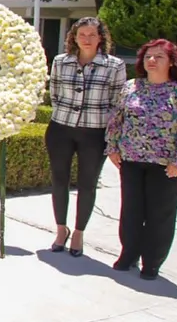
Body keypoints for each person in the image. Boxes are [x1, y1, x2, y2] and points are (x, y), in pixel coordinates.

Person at [106, 39, 177, 280]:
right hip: (131, 160)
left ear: (171, 62)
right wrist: (113, 147)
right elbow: (116, 120)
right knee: (131, 211)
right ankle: (129, 254)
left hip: (165, 165)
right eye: (148, 56)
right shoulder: (131, 87)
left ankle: (152, 262)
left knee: (160, 214)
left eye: (158, 57)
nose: (151, 60)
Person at [45, 16, 127, 257]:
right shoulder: (61, 62)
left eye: (92, 35)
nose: (87, 39)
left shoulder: (114, 65)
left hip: (94, 133)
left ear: (101, 37)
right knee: (59, 181)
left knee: (87, 184)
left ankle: (79, 233)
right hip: (61, 129)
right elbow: (55, 94)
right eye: (82, 35)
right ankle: (61, 229)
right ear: (74, 37)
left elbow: (117, 103)